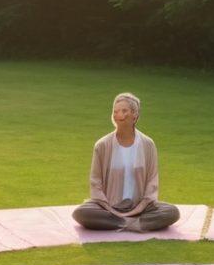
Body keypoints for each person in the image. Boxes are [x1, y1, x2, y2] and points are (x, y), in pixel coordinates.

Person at [71, 93, 180, 232]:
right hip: (108, 207)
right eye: (115, 111)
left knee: (171, 212)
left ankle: (121, 223)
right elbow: (95, 182)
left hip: (141, 207)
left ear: (134, 115)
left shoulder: (148, 144)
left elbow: (152, 181)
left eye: (124, 111)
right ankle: (130, 223)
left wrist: (140, 207)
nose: (118, 115)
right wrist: (110, 209)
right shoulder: (102, 145)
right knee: (81, 213)